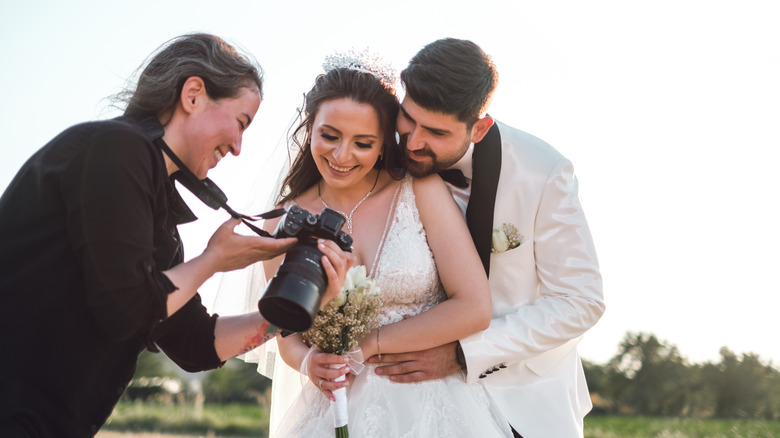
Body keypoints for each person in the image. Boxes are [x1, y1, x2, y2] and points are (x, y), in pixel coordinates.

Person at [0, 33, 353, 438]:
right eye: (241, 123)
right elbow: (127, 310)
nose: (239, 147)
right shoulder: (116, 148)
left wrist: (297, 309)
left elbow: (195, 343)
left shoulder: (156, 208)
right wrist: (213, 261)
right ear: (193, 95)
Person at [246, 52, 512, 437]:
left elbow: (474, 307)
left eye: (363, 143)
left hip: (434, 406)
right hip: (336, 408)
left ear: (385, 144)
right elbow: (287, 333)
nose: (342, 156)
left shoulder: (419, 190)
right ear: (310, 128)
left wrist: (369, 344)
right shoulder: (281, 222)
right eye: (329, 136)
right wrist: (307, 362)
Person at [369, 38, 606, 437]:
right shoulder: (376, 153)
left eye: (436, 132)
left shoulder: (542, 171)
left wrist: (465, 354)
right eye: (408, 118)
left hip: (524, 401)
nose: (413, 141)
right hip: (403, 401)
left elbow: (580, 301)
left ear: (479, 128)